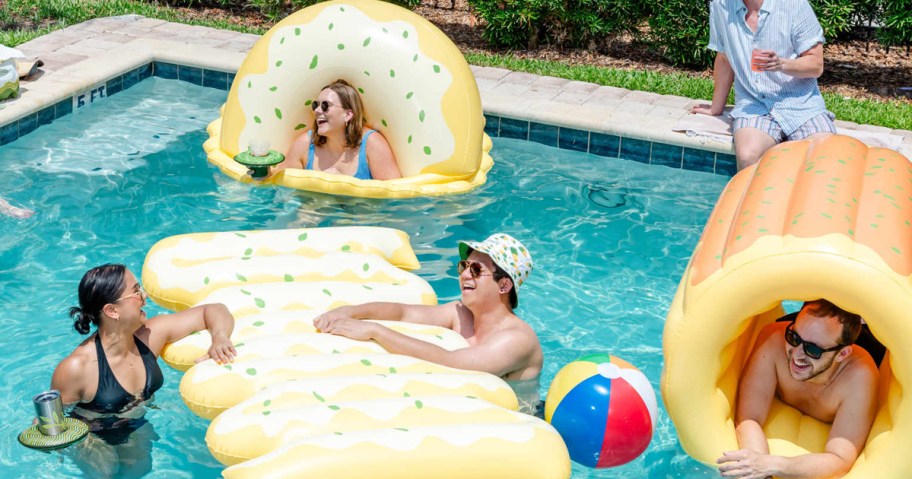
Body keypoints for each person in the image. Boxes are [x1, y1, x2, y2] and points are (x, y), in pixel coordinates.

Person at [313, 233, 543, 413]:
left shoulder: (516, 339)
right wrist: (352, 311)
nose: (464, 275)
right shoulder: (461, 313)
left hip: (515, 420)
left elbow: (452, 362)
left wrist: (376, 331)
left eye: (476, 270)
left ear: (504, 285)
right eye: (464, 266)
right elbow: (404, 313)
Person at [50, 264, 236, 476]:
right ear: (112, 310)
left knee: (140, 469)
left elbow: (214, 310)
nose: (144, 296)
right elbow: (50, 420)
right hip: (90, 434)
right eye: (136, 291)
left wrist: (220, 337)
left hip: (134, 422)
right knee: (106, 472)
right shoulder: (77, 368)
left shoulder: (150, 335)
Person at [717, 299, 879, 478]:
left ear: (842, 354)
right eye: (794, 338)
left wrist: (774, 465)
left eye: (813, 349)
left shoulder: (859, 379)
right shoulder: (775, 341)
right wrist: (759, 470)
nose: (796, 354)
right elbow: (748, 418)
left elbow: (840, 460)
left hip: (867, 344)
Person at [691, 0, 836, 171]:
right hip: (754, 105)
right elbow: (724, 58)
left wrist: (781, 64)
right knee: (747, 156)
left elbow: (816, 64)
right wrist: (716, 108)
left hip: (801, 105)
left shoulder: (795, 5)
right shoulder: (721, 6)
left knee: (824, 157)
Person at [271, 79, 401, 180]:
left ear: (348, 115)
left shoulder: (372, 144)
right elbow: (278, 189)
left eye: (325, 106)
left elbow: (394, 196)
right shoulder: (304, 145)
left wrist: (342, 184)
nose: (317, 110)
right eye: (316, 105)